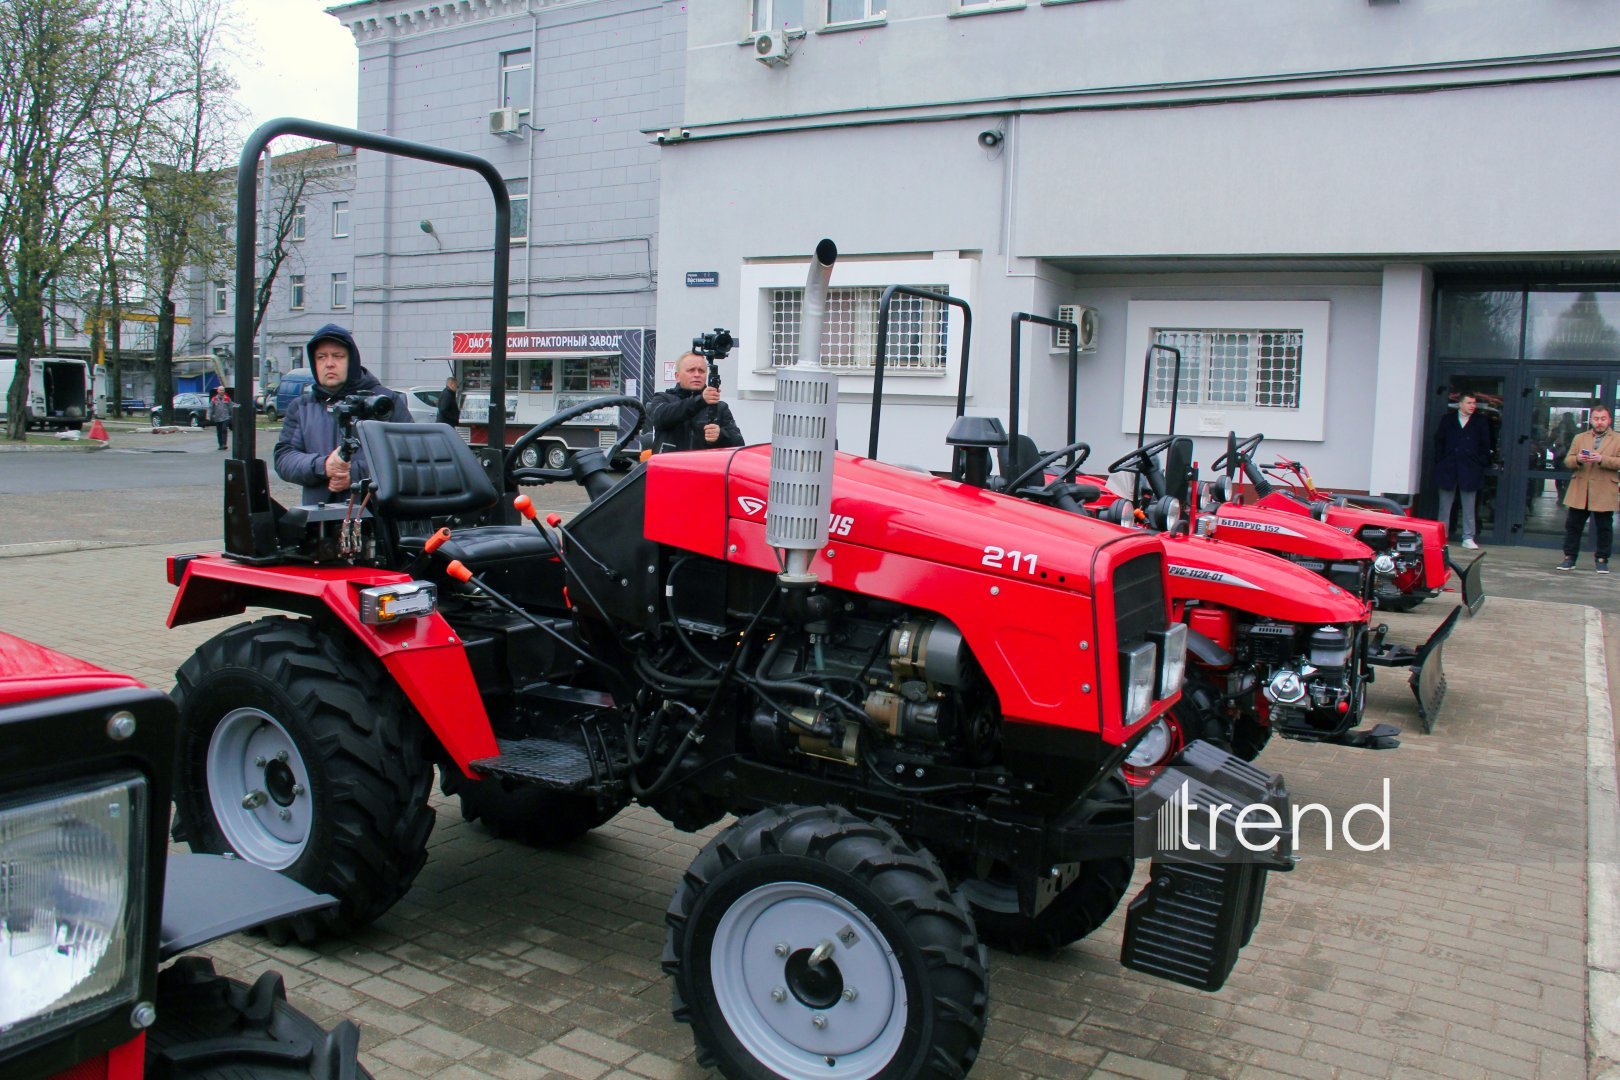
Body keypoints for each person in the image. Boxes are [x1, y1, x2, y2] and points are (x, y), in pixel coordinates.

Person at [273, 323, 409, 505]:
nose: (329, 363)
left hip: (376, 517)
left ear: (351, 361)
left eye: (338, 356)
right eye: (321, 357)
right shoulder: (302, 407)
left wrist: (354, 475)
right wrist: (323, 466)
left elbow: (406, 458)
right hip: (319, 521)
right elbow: (284, 458)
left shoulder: (385, 403)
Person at [1558, 406, 1620, 572]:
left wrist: (1602, 459)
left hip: (1604, 488)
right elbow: (1568, 460)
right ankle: (1569, 558)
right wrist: (1578, 459)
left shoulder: (1618, 439)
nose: (1599, 422)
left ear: (1609, 420)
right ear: (1591, 420)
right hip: (1581, 488)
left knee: (1604, 527)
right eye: (1596, 418)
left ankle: (1602, 559)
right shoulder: (1580, 438)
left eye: (1603, 418)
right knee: (1573, 525)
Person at [647, 351, 744, 453]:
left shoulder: (720, 407)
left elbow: (738, 444)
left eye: (701, 371)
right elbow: (661, 417)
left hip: (702, 467)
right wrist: (701, 400)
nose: (697, 375)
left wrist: (720, 435)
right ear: (677, 376)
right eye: (691, 370)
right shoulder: (662, 398)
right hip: (670, 466)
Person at [1431, 392, 1492, 550]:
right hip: (1448, 468)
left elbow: (1485, 445)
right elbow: (1439, 441)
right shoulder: (1448, 420)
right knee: (1445, 506)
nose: (1472, 406)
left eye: (1474, 403)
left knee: (1469, 505)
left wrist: (1480, 462)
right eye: (1469, 402)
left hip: (1470, 469)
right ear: (1461, 404)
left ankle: (1468, 537)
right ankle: (1442, 537)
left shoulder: (1480, 421)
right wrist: (1441, 461)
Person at [208, 386, 233, 450]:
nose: (222, 391)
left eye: (223, 390)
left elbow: (231, 408)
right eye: (220, 390)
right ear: (218, 391)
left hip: (225, 417)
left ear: (224, 391)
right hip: (217, 418)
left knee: (224, 430)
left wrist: (232, 415)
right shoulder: (214, 399)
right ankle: (220, 445)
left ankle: (224, 444)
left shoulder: (227, 398)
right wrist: (209, 415)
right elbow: (210, 408)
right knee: (219, 431)